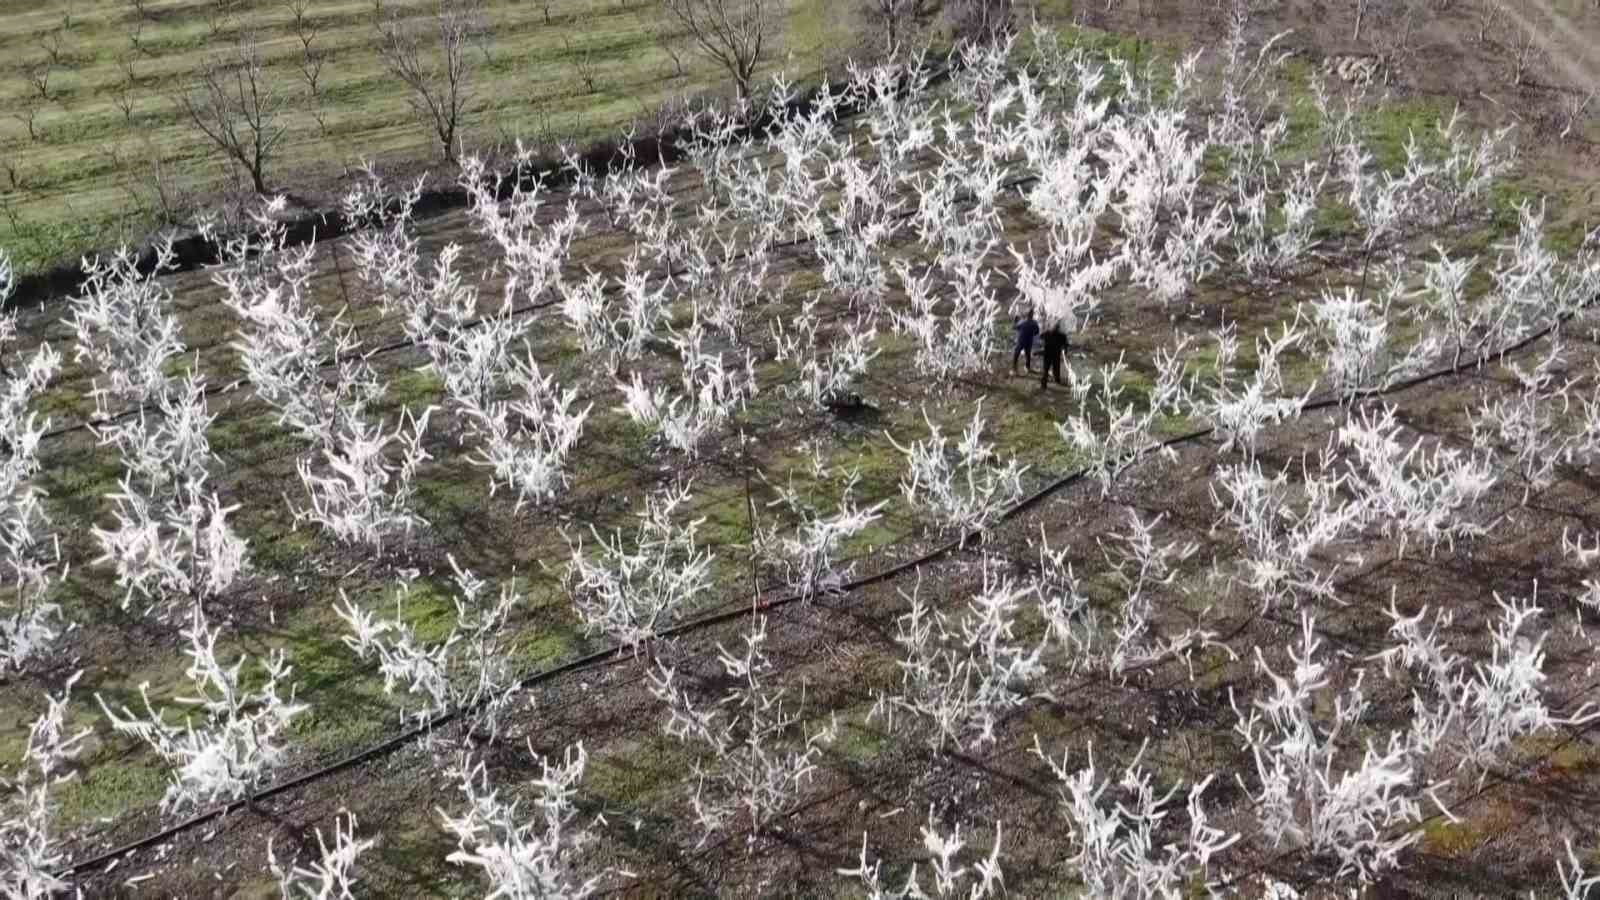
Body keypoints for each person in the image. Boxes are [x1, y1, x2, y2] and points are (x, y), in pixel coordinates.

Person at [1038, 320, 1069, 390]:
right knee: (1056, 368)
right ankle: (1057, 380)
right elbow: (1066, 345)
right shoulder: (1062, 335)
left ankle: (1043, 384)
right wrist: (1065, 351)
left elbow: (1040, 336)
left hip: (1047, 354)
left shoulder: (1047, 333)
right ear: (1059, 328)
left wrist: (1045, 329)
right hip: (1056, 354)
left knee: (1046, 369)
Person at [1011, 309, 1039, 375]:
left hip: (1021, 340)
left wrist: (1015, 321)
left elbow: (1014, 327)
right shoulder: (1034, 323)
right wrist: (1031, 334)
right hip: (1029, 340)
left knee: (1016, 354)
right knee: (1028, 354)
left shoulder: (1022, 322)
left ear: (1027, 315)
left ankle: (1014, 369)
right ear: (1032, 315)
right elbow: (1037, 332)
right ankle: (1027, 367)